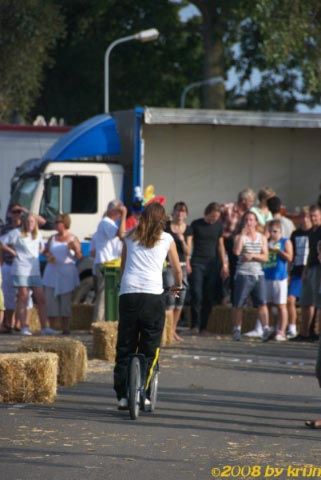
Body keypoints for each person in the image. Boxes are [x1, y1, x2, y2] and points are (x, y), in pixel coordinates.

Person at [113, 202, 182, 409]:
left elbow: (123, 266)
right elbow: (177, 270)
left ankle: (123, 396)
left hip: (129, 293)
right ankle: (143, 391)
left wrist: (123, 284)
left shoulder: (130, 236)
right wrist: (177, 287)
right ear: (163, 220)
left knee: (125, 344)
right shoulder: (167, 238)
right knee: (150, 348)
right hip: (153, 296)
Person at [0, 213, 55, 336]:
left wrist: (43, 254)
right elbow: (1, 241)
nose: (31, 224)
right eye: (28, 221)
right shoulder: (16, 233)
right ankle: (24, 327)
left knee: (41, 298)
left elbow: (41, 248)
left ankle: (45, 327)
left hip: (34, 270)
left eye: (33, 221)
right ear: (24, 222)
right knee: (23, 297)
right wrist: (12, 251)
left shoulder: (38, 234)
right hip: (21, 268)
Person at [232, 211, 271, 341]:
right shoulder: (240, 237)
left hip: (258, 274)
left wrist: (253, 256)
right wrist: (242, 236)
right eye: (247, 220)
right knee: (239, 303)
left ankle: (265, 328)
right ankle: (237, 329)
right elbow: (237, 251)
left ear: (256, 222)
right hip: (243, 273)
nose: (249, 222)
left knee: (262, 302)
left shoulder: (262, 238)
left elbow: (266, 257)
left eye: (251, 220)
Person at [189, 202, 228, 335]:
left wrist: (224, 264)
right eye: (212, 216)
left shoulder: (218, 226)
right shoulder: (196, 224)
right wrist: (188, 260)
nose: (214, 219)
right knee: (197, 293)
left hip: (212, 264)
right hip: (197, 262)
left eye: (217, 217)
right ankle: (195, 325)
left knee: (209, 295)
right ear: (207, 213)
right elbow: (190, 243)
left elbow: (220, 246)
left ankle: (204, 327)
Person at [42, 214, 82, 334]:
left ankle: (65, 328)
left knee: (65, 302)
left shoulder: (73, 238)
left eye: (57, 222)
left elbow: (79, 256)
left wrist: (75, 249)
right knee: (51, 301)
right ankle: (53, 328)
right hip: (52, 272)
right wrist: (48, 255)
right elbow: (45, 250)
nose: (55, 224)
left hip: (66, 274)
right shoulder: (52, 238)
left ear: (64, 223)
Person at [93, 200, 127, 322]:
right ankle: (98, 322)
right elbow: (120, 234)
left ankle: (106, 321)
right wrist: (124, 216)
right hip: (105, 263)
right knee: (103, 295)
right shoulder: (105, 223)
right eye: (119, 210)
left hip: (110, 263)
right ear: (112, 210)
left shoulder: (110, 224)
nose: (120, 213)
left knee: (109, 295)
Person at [163, 201, 192, 341]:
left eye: (183, 211)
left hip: (182, 267)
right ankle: (166, 332)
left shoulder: (188, 229)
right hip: (169, 267)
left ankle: (173, 330)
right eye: (178, 211)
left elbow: (188, 251)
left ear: (186, 214)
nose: (180, 214)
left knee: (180, 301)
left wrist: (182, 240)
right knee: (171, 299)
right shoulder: (167, 227)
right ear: (173, 212)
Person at [221, 188, 256, 302]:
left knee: (235, 271)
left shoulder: (249, 214)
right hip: (223, 240)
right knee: (221, 270)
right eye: (251, 201)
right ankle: (220, 296)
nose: (252, 203)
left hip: (237, 243)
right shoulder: (227, 208)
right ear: (244, 200)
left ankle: (234, 298)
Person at [263, 219, 293, 341]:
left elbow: (290, 257)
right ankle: (269, 329)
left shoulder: (285, 241)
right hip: (267, 276)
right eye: (270, 231)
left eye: (275, 231)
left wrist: (279, 251)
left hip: (280, 277)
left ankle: (281, 331)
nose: (272, 234)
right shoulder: (266, 242)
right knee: (267, 305)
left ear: (280, 231)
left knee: (281, 306)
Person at [295, 205, 321, 341]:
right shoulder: (311, 232)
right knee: (305, 301)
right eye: (311, 216)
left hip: (319, 268)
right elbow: (310, 252)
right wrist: (305, 269)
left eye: (315, 215)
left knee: (317, 302)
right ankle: (304, 332)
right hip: (310, 267)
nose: (313, 218)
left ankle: (314, 330)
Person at [287, 207, 311, 339]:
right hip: (297, 271)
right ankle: (292, 327)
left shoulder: (315, 233)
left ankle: (307, 330)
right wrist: (289, 273)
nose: (305, 219)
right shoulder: (295, 234)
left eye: (308, 217)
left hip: (310, 271)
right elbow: (293, 254)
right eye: (303, 217)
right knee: (290, 299)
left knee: (308, 303)